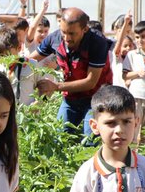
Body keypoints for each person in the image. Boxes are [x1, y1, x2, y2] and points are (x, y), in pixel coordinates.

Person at [31, 7, 112, 136]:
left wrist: (55, 86)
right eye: (64, 32)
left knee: (90, 138)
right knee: (60, 136)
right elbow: (31, 60)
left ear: (85, 29)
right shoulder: (55, 38)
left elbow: (90, 82)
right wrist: (14, 62)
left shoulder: (97, 43)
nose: (66, 38)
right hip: (71, 98)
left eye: (72, 33)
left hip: (96, 98)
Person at [0, 25, 40, 106]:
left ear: (18, 48)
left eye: (9, 55)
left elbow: (44, 89)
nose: (6, 59)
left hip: (27, 115)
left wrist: (37, 104)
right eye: (2, 56)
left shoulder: (32, 65)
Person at [122, 20, 145, 131]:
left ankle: (144, 149)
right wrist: (137, 73)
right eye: (137, 37)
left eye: (143, 37)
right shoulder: (132, 54)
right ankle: (132, 149)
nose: (139, 40)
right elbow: (125, 75)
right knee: (134, 129)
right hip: (136, 95)